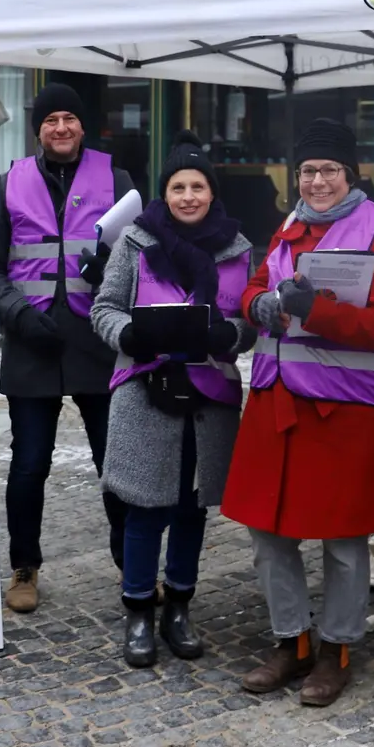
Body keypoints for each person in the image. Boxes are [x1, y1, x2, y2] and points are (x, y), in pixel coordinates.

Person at [222, 118, 374, 707]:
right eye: (308, 171)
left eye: (329, 170)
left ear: (349, 174)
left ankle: (337, 650)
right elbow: (251, 289)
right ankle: (291, 640)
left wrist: (319, 310)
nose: (318, 181)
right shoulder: (288, 225)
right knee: (268, 529)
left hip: (342, 410)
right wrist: (264, 305)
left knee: (343, 537)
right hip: (278, 401)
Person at [0, 82, 138, 613]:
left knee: (116, 463)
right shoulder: (9, 183)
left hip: (98, 342)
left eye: (69, 118)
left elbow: (145, 255)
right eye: (50, 121)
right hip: (32, 343)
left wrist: (110, 265)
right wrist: (18, 314)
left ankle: (130, 563)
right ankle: (25, 565)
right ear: (37, 129)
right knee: (28, 465)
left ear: (82, 126)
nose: (60, 128)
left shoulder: (117, 179)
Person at [90, 131, 256, 668]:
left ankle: (179, 607)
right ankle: (139, 608)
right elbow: (104, 308)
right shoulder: (136, 243)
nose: (188, 196)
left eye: (198, 186)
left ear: (212, 192)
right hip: (145, 389)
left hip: (209, 394)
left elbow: (248, 320)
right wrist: (129, 336)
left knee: (191, 508)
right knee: (145, 507)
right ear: (165, 193)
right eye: (178, 186)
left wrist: (229, 336)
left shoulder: (239, 249)